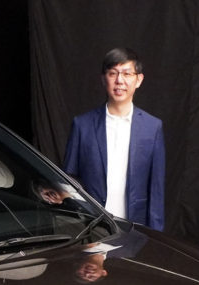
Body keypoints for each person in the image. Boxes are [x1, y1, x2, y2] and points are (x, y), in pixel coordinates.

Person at [63, 47, 165, 231]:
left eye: (127, 74)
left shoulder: (152, 127)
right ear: (104, 79)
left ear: (138, 80)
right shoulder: (82, 125)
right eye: (113, 73)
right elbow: (69, 179)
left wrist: (156, 236)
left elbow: (156, 190)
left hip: (135, 227)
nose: (119, 81)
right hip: (91, 228)